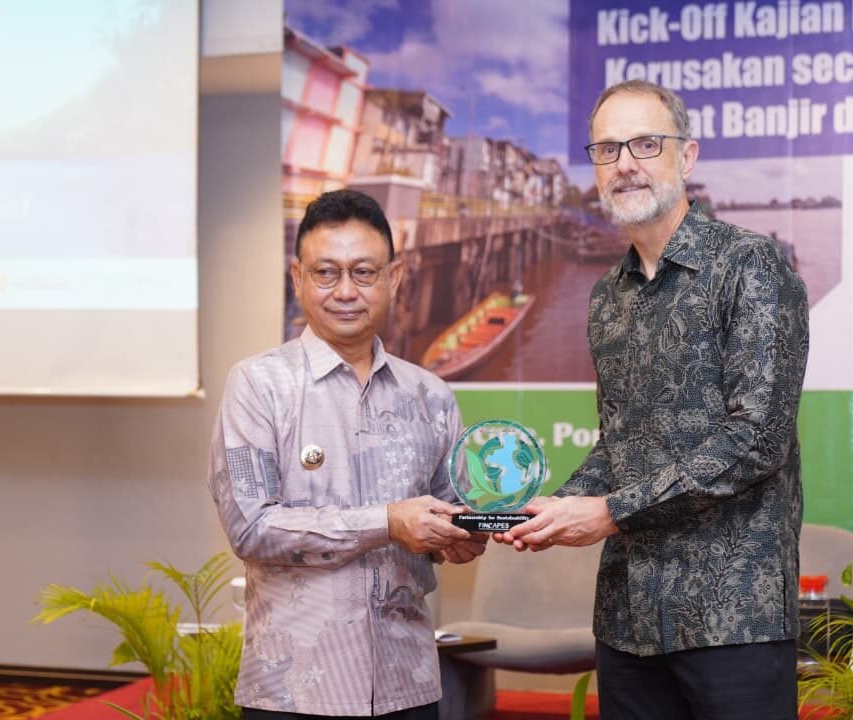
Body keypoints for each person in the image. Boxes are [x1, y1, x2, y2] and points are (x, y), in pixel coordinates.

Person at [500, 80, 810, 719]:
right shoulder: (606, 296)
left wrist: (609, 513)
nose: (625, 164)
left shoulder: (750, 265)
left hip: (733, 617)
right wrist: (555, 506)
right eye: (608, 149)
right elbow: (618, 443)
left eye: (645, 144)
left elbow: (756, 439)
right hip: (628, 620)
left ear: (686, 156)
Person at [209, 189, 487, 719]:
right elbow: (251, 527)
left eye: (363, 272)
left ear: (394, 278)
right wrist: (387, 523)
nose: (344, 292)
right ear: (297, 277)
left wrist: (463, 535)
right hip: (293, 691)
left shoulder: (430, 395)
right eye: (325, 273)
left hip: (408, 684)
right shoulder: (258, 385)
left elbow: (448, 515)